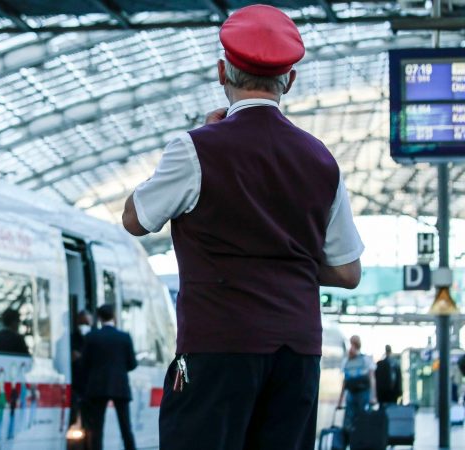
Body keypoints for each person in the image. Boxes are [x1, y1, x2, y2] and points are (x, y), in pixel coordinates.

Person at [121, 5, 364, 449]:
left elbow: (135, 219)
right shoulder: (320, 159)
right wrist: (285, 262)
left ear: (221, 72)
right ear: (289, 80)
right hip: (297, 355)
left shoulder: (197, 149)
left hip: (217, 349)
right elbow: (348, 272)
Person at [82, 304, 137, 450]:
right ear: (114, 316)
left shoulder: (91, 337)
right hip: (120, 386)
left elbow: (84, 364)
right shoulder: (124, 337)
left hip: (97, 387)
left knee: (97, 429)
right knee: (126, 428)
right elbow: (132, 364)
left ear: (99, 317)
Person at [338, 335, 376, 446]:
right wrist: (340, 401)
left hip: (363, 393)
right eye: (350, 345)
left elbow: (372, 378)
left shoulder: (365, 359)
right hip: (351, 394)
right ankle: (352, 443)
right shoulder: (346, 361)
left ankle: (362, 443)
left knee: (363, 419)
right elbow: (345, 382)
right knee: (349, 421)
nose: (351, 348)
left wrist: (373, 396)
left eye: (353, 345)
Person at [70, 310, 92, 426]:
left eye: (86, 323)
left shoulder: (95, 338)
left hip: (91, 387)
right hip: (76, 386)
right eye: (81, 322)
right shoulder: (70, 339)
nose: (83, 326)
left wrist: (81, 356)